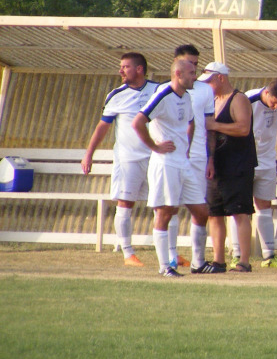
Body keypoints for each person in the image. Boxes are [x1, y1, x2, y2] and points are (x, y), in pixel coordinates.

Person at [132, 57, 209, 277]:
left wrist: (187, 146)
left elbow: (191, 122)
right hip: (165, 163)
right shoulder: (163, 95)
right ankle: (165, 266)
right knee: (166, 212)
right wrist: (154, 146)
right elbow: (138, 122)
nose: (195, 77)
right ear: (179, 74)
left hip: (182, 163)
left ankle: (198, 263)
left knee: (201, 211)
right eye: (192, 73)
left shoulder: (186, 97)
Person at [81, 52, 159, 267]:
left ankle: (170, 253)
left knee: (165, 203)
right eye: (121, 67)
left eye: (125, 67)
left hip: (156, 158)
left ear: (139, 69)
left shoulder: (159, 90)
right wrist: (89, 154)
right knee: (125, 203)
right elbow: (102, 127)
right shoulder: (116, 95)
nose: (120, 71)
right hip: (128, 159)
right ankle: (127, 253)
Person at [199, 62, 258, 273]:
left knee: (239, 212)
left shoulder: (239, 99)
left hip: (239, 164)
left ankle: (243, 261)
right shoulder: (212, 100)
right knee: (214, 213)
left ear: (220, 78)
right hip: (218, 165)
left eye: (209, 81)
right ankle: (218, 261)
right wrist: (210, 160)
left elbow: (243, 128)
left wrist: (215, 125)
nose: (206, 86)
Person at [228, 80, 277, 269]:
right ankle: (237, 254)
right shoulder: (248, 99)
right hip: (245, 158)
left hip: (267, 158)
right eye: (273, 102)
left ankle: (269, 255)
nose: (276, 107)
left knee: (265, 204)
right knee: (240, 207)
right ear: (266, 93)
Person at [166, 44, 215, 270]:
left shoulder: (205, 90)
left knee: (200, 209)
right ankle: (171, 258)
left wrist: (211, 158)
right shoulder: (164, 90)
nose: (195, 71)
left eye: (197, 65)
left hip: (198, 157)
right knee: (171, 207)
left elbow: (209, 127)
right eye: (190, 65)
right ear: (178, 65)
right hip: (173, 158)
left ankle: (198, 260)